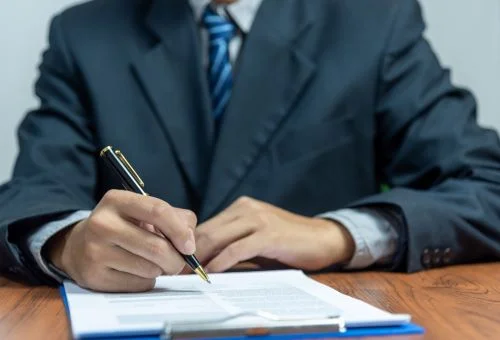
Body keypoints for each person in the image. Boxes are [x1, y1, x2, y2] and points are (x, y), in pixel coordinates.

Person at [1, 0, 499, 292]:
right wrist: (69, 243)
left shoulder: (373, 21)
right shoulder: (86, 34)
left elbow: (486, 187)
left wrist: (338, 235)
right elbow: (32, 190)